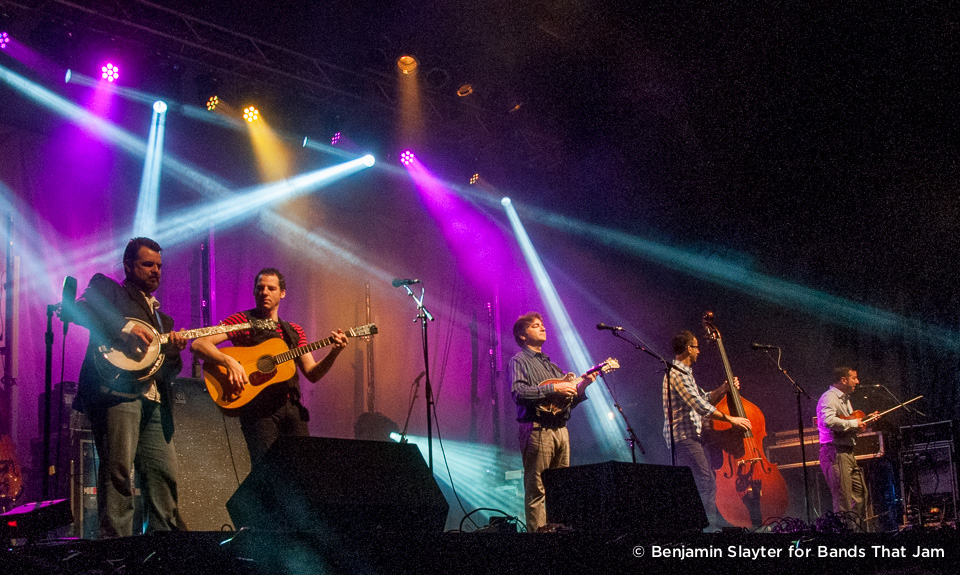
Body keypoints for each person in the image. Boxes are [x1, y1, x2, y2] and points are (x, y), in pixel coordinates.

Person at [73, 237, 187, 538]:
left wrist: (174, 350)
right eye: (148, 264)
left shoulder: (164, 319)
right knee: (118, 472)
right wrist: (125, 329)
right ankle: (117, 553)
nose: (155, 271)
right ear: (128, 265)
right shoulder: (109, 288)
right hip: (118, 393)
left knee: (163, 475)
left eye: (159, 266)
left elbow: (171, 370)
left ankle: (162, 550)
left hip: (155, 400)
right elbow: (89, 303)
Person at [191, 268, 348, 464]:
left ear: (282, 293)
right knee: (267, 472)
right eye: (260, 288)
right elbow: (199, 344)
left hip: (292, 408)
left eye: (271, 288)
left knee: (304, 469)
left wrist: (335, 351)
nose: (264, 292)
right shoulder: (242, 321)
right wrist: (228, 362)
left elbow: (312, 373)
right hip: (259, 411)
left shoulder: (294, 331)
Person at [509, 312, 596, 532]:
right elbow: (518, 393)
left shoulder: (552, 366)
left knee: (562, 488)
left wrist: (582, 387)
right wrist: (553, 387)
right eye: (535, 326)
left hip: (560, 430)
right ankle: (539, 542)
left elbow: (565, 403)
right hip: (537, 429)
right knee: (537, 490)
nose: (542, 328)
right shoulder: (519, 360)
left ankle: (560, 536)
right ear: (522, 336)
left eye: (542, 325)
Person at [662, 329, 751, 530]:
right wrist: (732, 419)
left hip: (692, 437)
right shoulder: (677, 374)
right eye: (696, 346)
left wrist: (723, 389)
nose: (699, 351)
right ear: (687, 349)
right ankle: (703, 529)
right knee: (705, 480)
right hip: (684, 437)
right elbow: (701, 407)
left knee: (705, 480)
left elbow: (704, 399)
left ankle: (703, 527)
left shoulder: (685, 374)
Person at [816, 366, 870, 528]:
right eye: (854, 378)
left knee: (860, 495)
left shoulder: (845, 399)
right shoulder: (829, 398)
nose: (857, 381)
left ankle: (855, 532)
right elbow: (828, 421)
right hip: (835, 453)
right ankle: (845, 538)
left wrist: (857, 426)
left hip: (847, 453)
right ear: (843, 380)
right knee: (843, 500)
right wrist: (853, 422)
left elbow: (844, 424)